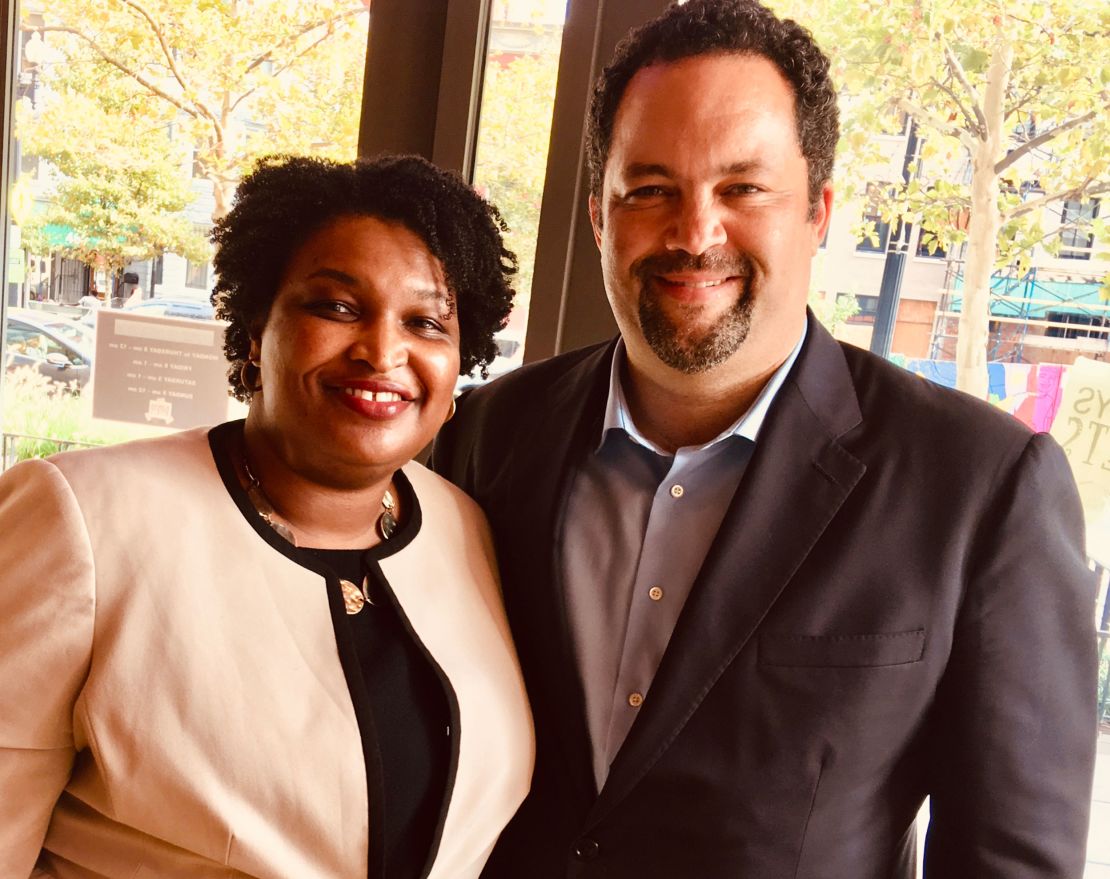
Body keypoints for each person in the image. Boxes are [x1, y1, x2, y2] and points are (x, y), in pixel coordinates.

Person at [431, 1, 1097, 876]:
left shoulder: (981, 487)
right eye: (651, 189)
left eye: (742, 189)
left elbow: (1013, 861)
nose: (694, 232)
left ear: (818, 212)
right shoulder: (487, 435)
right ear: (600, 215)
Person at [0, 154, 534, 878]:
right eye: (337, 307)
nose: (383, 350)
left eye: (426, 322)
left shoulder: (464, 528)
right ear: (257, 329)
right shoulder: (85, 520)